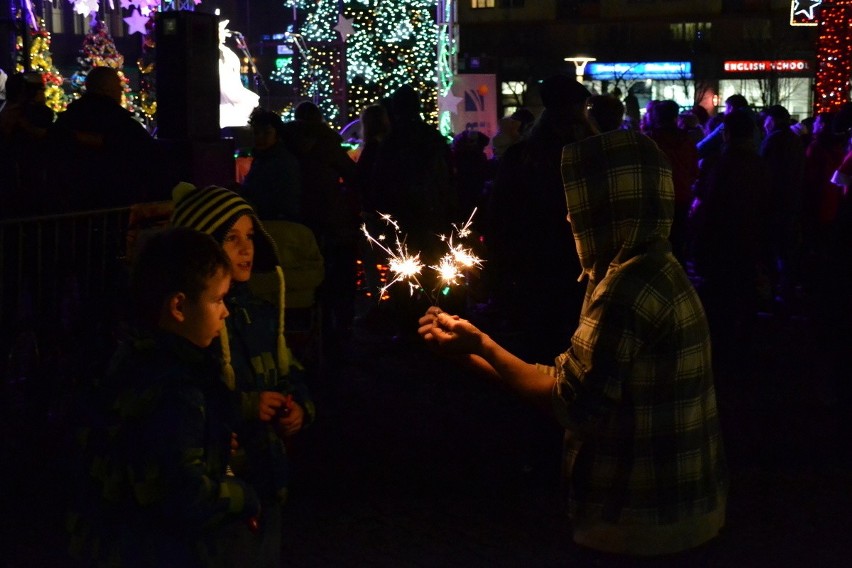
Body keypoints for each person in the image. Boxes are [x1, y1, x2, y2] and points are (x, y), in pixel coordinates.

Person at [419, 127, 727, 563]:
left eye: (580, 202)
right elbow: (574, 384)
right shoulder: (648, 265)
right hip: (670, 509)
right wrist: (470, 352)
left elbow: (569, 403)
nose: (569, 217)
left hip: (642, 522)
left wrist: (483, 346)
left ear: (611, 202)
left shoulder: (628, 286)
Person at [67, 227, 261, 567]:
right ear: (179, 306)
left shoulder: (133, 358)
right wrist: (243, 496)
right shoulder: (175, 390)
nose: (225, 312)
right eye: (217, 300)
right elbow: (184, 494)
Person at [170, 183, 315, 567]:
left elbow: (291, 373)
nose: (246, 248)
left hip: (268, 477)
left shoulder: (262, 314)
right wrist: (246, 406)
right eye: (231, 238)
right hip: (220, 487)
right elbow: (188, 401)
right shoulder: (197, 325)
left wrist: (298, 407)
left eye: (250, 236)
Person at [485, 74, 595, 362]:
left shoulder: (523, 154)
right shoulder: (591, 153)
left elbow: (500, 211)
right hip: (575, 257)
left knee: (539, 338)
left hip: (533, 257)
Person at [50, 66, 162, 210]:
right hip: (117, 202)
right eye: (117, 85)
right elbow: (148, 154)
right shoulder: (121, 123)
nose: (121, 90)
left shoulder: (68, 119)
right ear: (106, 89)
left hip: (72, 205)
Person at [241, 107, 302, 221]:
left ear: (278, 134)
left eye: (266, 132)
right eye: (256, 132)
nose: (259, 137)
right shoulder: (262, 158)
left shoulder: (282, 161)